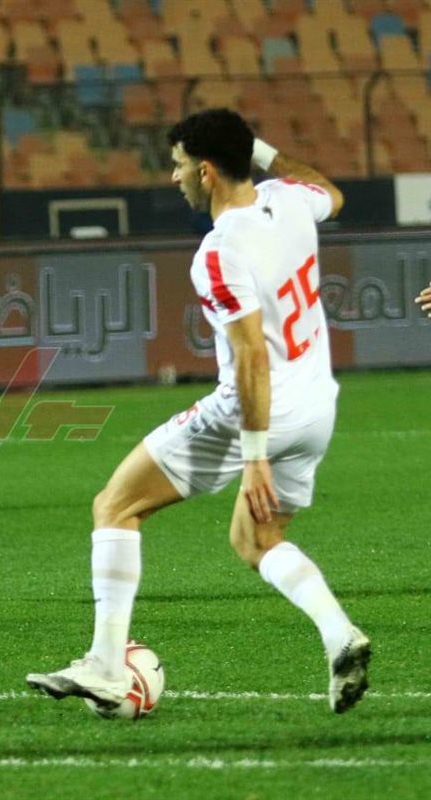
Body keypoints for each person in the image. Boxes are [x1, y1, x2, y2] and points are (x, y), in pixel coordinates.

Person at [25, 109, 370, 713]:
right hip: (317, 406)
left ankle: (106, 665)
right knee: (257, 539)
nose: (175, 177)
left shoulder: (219, 250)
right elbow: (331, 192)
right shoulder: (290, 201)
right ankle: (340, 634)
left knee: (115, 506)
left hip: (254, 414)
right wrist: (256, 148)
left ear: (206, 171)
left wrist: (254, 457)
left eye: (179, 164)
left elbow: (251, 356)